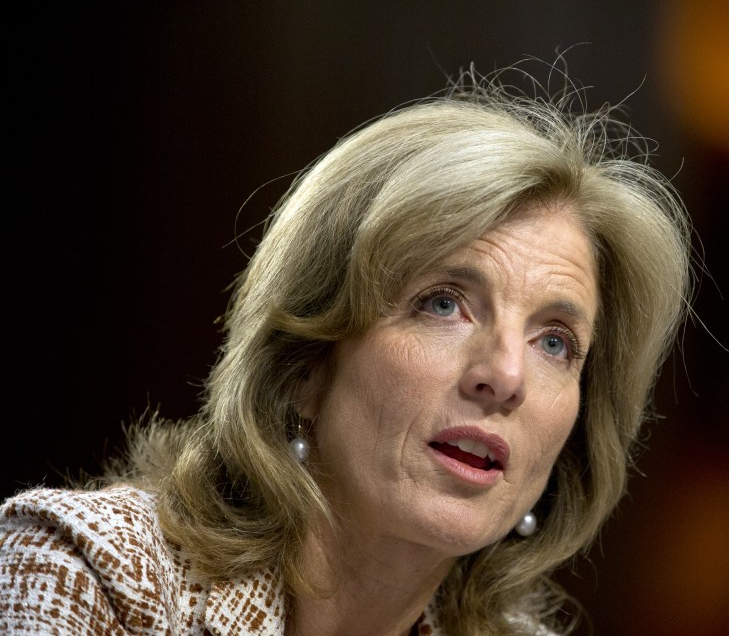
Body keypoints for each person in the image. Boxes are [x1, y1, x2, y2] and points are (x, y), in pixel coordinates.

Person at [0, 68, 690, 635]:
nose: (506, 375)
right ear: (305, 361)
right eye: (444, 302)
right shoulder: (92, 575)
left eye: (554, 342)